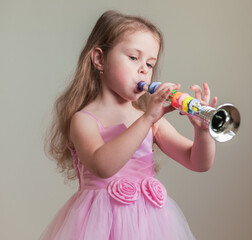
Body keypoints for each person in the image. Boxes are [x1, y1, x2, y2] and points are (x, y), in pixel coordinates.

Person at [40, 10, 217, 240]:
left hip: (150, 226)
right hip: (97, 226)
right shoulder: (83, 120)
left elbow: (198, 162)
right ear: (99, 59)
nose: (143, 69)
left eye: (150, 63)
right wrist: (146, 119)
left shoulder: (150, 119)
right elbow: (103, 166)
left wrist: (202, 131)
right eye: (134, 58)